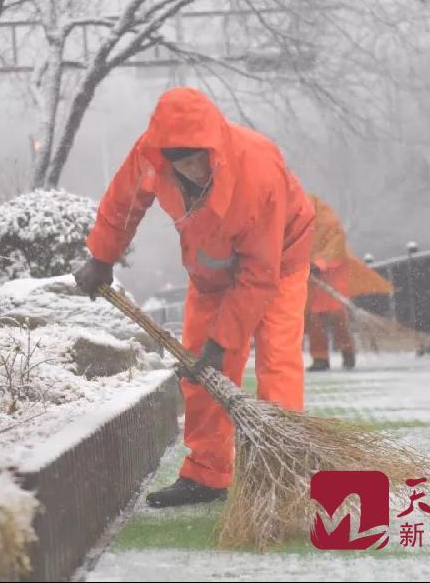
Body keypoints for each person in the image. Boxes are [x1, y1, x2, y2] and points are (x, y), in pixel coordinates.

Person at [74, 87, 315, 507]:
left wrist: (225, 342)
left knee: (277, 362)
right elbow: (123, 203)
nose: (193, 169)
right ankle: (208, 474)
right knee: (199, 369)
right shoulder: (151, 157)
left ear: (215, 145)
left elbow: (259, 276)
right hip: (211, 269)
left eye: (199, 157)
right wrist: (102, 257)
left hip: (279, 257)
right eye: (182, 161)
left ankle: (282, 473)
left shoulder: (257, 171)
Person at [305, 194, 392, 372]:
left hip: (333, 275)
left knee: (336, 315)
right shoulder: (304, 224)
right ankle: (320, 357)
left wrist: (320, 264)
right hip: (314, 278)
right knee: (315, 318)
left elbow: (335, 248)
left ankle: (347, 351)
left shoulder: (329, 223)